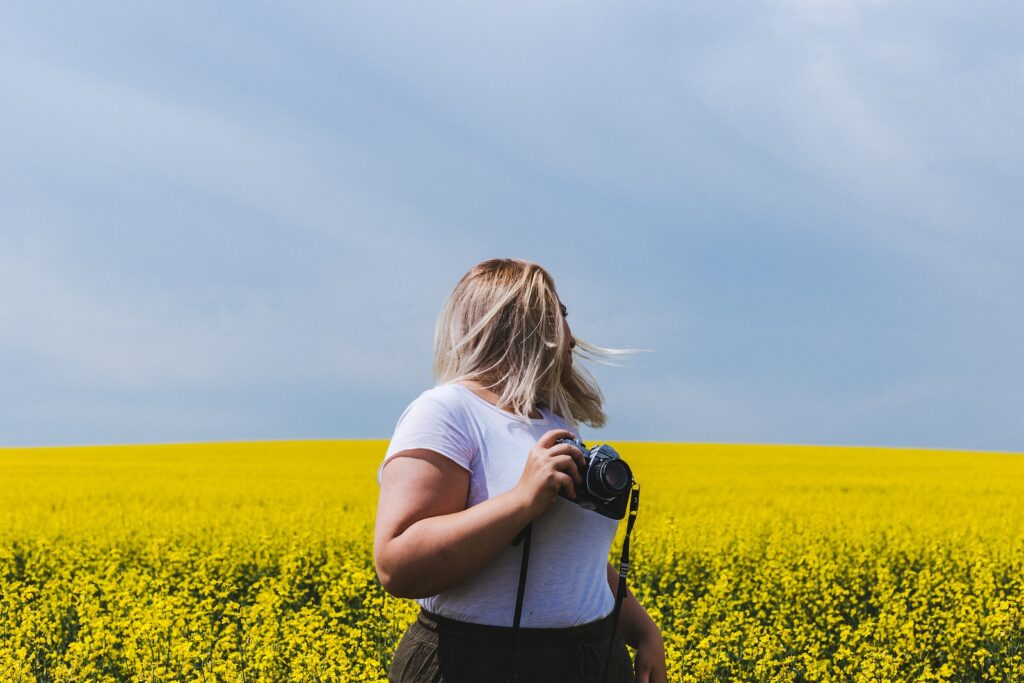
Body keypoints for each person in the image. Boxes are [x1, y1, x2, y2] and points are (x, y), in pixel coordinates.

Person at [374, 258, 667, 683]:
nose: (573, 336)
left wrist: (643, 632)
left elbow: (575, 562)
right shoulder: (446, 412)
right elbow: (396, 564)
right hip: (476, 662)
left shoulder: (557, 424)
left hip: (592, 659)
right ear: (526, 322)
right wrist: (521, 502)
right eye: (561, 315)